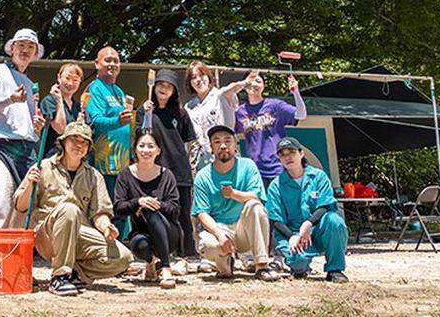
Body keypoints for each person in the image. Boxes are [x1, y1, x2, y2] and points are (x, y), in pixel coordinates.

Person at [13, 121, 132, 296]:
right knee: (69, 209)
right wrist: (30, 184)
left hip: (80, 233)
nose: (79, 145)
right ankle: (59, 277)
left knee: (123, 257)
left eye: (84, 142)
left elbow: (100, 213)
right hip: (47, 235)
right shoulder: (43, 167)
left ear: (89, 148)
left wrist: (107, 228)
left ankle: (76, 274)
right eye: (74, 139)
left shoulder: (94, 175)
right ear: (63, 142)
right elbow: (20, 206)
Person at [0, 28, 46, 290]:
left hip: (27, 150)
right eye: (21, 45)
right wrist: (8, 98)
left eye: (30, 47)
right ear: (11, 48)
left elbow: (24, 121)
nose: (25, 50)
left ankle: (13, 268)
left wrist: (36, 125)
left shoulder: (28, 82)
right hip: (1, 146)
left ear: (35, 54)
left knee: (22, 213)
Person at [192, 124, 280, 281]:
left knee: (255, 206)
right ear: (211, 148)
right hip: (220, 229)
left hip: (244, 229)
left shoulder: (248, 166)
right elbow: (201, 212)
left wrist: (234, 194)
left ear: (235, 146)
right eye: (217, 142)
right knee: (208, 245)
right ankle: (225, 263)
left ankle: (261, 266)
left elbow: (257, 196)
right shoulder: (203, 175)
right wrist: (219, 235)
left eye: (228, 141)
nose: (223, 146)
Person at [267, 137, 349, 282]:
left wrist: (309, 223)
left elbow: (325, 205)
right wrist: (292, 236)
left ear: (301, 153)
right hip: (292, 234)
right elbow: (276, 219)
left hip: (317, 230)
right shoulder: (276, 185)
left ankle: (335, 269)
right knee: (298, 265)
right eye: (283, 154)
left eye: (291, 152)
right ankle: (299, 267)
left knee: (335, 221)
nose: (288, 157)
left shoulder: (318, 177)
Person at [138, 69, 196, 262]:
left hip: (179, 169)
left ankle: (187, 253)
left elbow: (189, 140)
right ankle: (161, 253)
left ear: (174, 91)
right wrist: (146, 115)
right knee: (159, 211)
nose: (164, 89)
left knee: (182, 214)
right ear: (154, 86)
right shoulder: (144, 110)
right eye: (161, 85)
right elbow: (139, 135)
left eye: (168, 86)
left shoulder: (180, 113)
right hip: (156, 170)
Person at [113, 130, 182, 289]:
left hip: (169, 232)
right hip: (141, 234)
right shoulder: (125, 175)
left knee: (149, 209)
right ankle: (150, 263)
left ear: (158, 150)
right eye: (142, 145)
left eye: (151, 146)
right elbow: (118, 207)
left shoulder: (167, 175)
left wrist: (154, 205)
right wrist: (138, 202)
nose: (146, 150)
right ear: (135, 149)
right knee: (139, 244)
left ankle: (165, 267)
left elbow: (175, 209)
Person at [85, 46, 132, 236]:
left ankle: (119, 252)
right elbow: (94, 121)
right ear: (97, 64)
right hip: (104, 163)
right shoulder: (94, 89)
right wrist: (117, 121)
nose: (112, 64)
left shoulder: (120, 91)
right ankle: (105, 254)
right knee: (105, 210)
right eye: (107, 60)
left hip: (122, 163)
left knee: (120, 209)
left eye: (116, 60)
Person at [234, 71, 307, 189]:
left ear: (263, 85)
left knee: (281, 205)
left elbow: (301, 115)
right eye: (251, 81)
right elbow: (229, 133)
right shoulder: (240, 112)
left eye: (258, 81)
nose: (254, 84)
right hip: (255, 171)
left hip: (278, 168)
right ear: (244, 85)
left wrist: (296, 92)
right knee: (260, 206)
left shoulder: (275, 105)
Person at [184, 61, 247, 172]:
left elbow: (231, 89)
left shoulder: (221, 96)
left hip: (226, 156)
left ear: (208, 77)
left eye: (201, 75)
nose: (198, 80)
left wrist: (243, 83)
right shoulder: (189, 107)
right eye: (193, 77)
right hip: (202, 162)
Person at [38, 63, 84, 158]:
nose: (70, 83)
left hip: (72, 159)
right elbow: (60, 129)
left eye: (75, 80)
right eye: (67, 78)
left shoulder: (78, 107)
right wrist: (59, 101)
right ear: (59, 78)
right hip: (52, 158)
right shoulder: (49, 101)